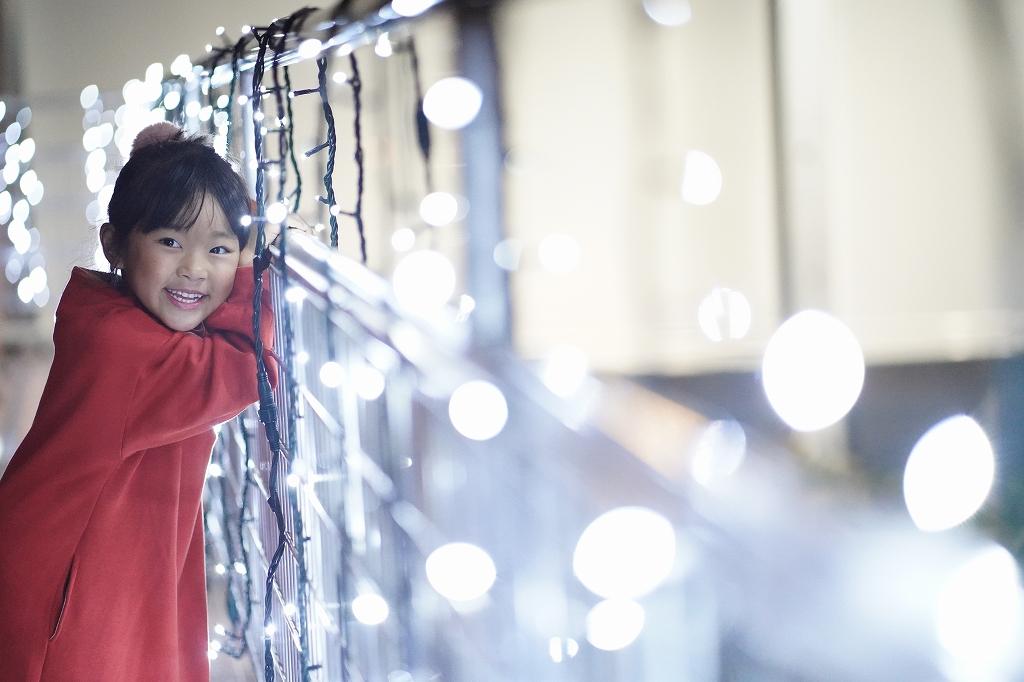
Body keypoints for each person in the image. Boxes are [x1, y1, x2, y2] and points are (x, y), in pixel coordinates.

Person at [0, 122, 280, 681]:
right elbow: (252, 366)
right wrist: (251, 264)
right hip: (67, 592)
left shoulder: (113, 317)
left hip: (87, 567)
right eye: (170, 241)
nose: (194, 268)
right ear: (114, 244)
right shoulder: (124, 350)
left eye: (219, 249)